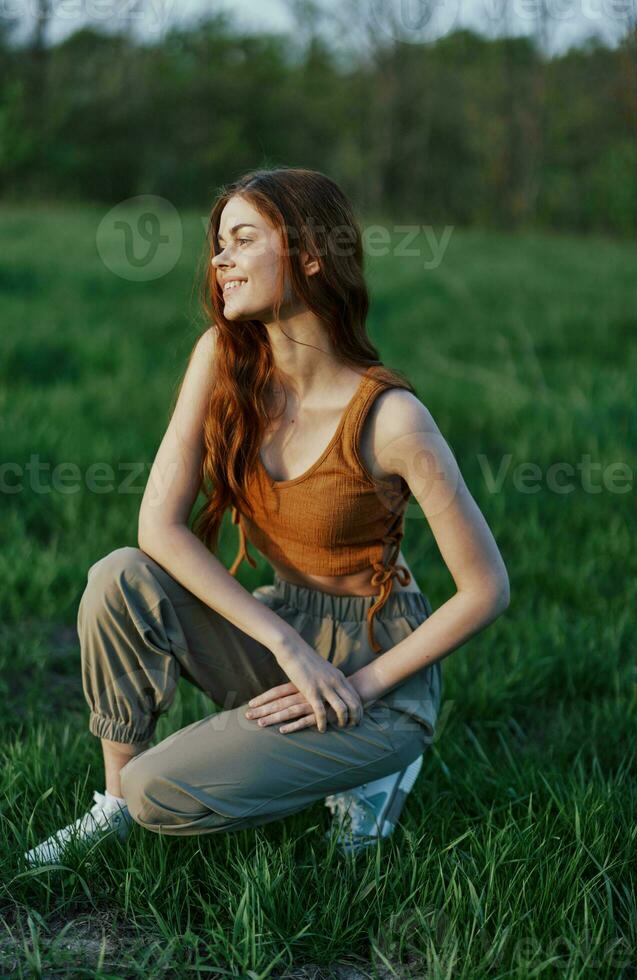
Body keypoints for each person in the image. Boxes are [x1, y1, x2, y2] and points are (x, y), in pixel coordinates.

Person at [25, 167, 510, 866]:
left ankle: (377, 770)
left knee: (160, 788)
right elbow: (156, 528)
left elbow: (486, 588)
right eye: (218, 243)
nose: (219, 261)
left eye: (243, 239)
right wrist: (289, 647)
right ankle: (113, 808)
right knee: (118, 578)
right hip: (280, 630)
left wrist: (357, 686)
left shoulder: (393, 418)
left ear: (311, 255)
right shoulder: (222, 359)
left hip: (378, 673)